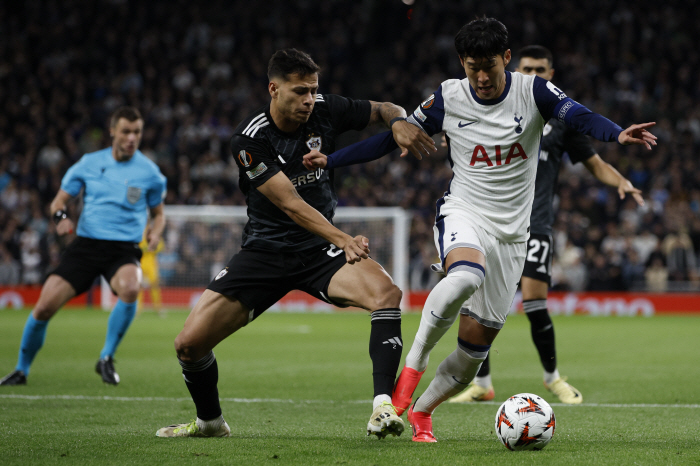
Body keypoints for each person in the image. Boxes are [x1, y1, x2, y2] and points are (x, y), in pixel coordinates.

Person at [306, 18, 656, 443]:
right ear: (462, 63)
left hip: (513, 236)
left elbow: (580, 116)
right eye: (473, 67)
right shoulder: (448, 97)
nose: (483, 77)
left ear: (507, 58)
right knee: (465, 276)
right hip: (465, 212)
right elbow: (393, 139)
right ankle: (400, 394)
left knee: (474, 353)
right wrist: (333, 160)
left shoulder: (533, 91)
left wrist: (617, 134)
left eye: (490, 66)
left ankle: (420, 413)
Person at [156, 48, 434, 439]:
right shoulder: (250, 139)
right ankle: (210, 423)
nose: (309, 99)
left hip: (318, 251)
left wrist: (400, 121)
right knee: (188, 345)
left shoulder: (326, 108)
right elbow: (289, 203)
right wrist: (343, 239)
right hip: (265, 251)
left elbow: (384, 107)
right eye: (300, 91)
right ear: (274, 89)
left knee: (386, 294)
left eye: (313, 90)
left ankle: (382, 407)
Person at [448, 45, 645, 405]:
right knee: (477, 301)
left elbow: (593, 162)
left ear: (551, 74)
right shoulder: (488, 109)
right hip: (488, 221)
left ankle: (552, 378)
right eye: (528, 68)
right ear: (513, 69)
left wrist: (620, 181)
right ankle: (482, 383)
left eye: (541, 68)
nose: (534, 74)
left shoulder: (558, 118)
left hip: (535, 223)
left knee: (535, 302)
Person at [0, 107, 167, 386]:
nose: (131, 138)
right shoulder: (89, 163)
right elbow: (58, 203)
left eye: (136, 132)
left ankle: (106, 357)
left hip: (123, 249)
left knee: (130, 287)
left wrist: (155, 232)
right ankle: (21, 369)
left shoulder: (150, 173)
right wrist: (61, 219)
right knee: (43, 307)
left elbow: (159, 213)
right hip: (87, 247)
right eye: (126, 131)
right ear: (112, 131)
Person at [137, 229, 165, 316]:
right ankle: (138, 309)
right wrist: (146, 248)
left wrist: (154, 247)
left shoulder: (153, 233)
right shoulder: (139, 234)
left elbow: (161, 246)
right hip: (140, 263)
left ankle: (158, 308)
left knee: (155, 285)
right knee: (139, 287)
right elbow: (137, 247)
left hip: (151, 264)